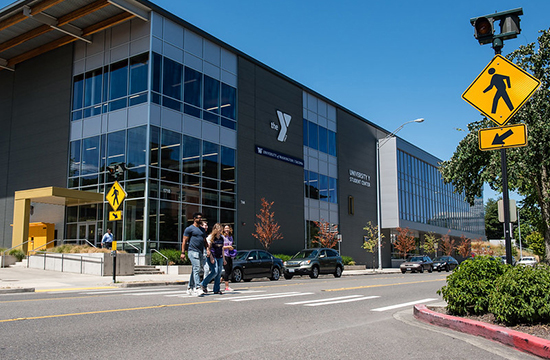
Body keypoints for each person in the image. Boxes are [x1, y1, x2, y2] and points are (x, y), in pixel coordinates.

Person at [181, 213, 208, 296]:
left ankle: (189, 287)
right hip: (192, 251)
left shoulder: (202, 230)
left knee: (195, 270)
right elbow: (184, 241)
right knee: (197, 269)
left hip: (200, 251)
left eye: (201, 218)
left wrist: (207, 249)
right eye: (198, 218)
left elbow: (204, 241)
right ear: (194, 219)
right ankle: (197, 287)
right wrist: (183, 252)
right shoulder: (189, 229)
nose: (200, 219)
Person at [200, 223, 225, 295]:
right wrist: (211, 257)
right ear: (215, 230)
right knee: (215, 271)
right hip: (212, 256)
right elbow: (208, 248)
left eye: (221, 230)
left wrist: (224, 259)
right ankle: (203, 284)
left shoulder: (221, 238)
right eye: (219, 230)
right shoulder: (211, 237)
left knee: (219, 273)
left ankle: (216, 289)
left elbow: (222, 248)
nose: (220, 232)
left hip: (219, 256)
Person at [222, 224, 237, 292]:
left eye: (228, 228)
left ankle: (221, 280)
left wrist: (232, 249)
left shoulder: (230, 237)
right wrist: (228, 247)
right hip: (224, 255)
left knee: (230, 270)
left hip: (229, 255)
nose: (227, 230)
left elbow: (231, 244)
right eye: (225, 228)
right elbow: (221, 247)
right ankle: (227, 286)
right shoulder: (222, 237)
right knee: (226, 270)